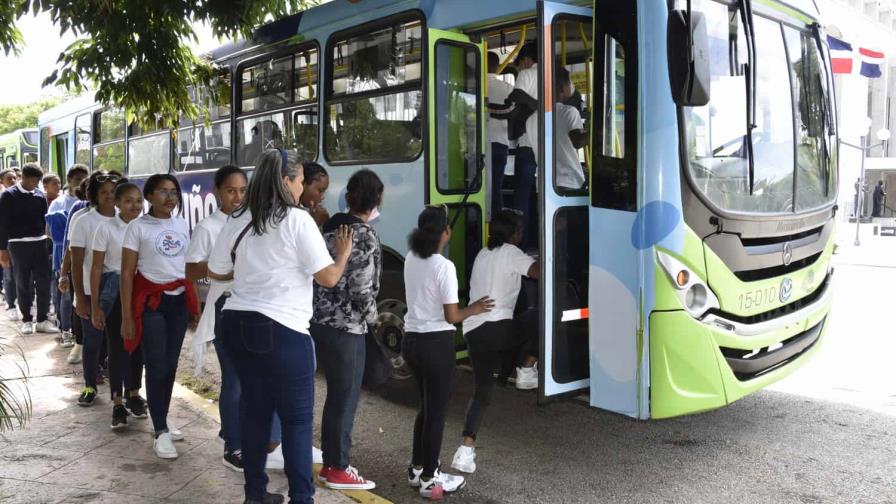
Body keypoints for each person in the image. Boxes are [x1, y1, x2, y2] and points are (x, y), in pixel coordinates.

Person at [209, 149, 352, 504]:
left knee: (254, 413)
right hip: (283, 330)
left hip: (236, 324)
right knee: (297, 421)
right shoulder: (297, 219)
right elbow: (329, 277)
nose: (304, 186)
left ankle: (255, 495)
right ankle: (302, 498)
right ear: (286, 181)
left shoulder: (239, 216)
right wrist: (344, 252)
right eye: (302, 180)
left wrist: (247, 273)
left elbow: (215, 270)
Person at [185, 165, 285, 472]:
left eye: (243, 190)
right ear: (217, 192)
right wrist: (223, 270)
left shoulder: (256, 222)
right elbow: (191, 271)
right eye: (231, 190)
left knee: (266, 376)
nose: (238, 197)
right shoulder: (209, 227)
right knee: (236, 379)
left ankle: (256, 435)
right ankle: (233, 445)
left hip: (258, 308)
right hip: (227, 307)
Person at [402, 205, 494, 500]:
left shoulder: (411, 257)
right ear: (446, 232)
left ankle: (417, 469)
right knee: (436, 413)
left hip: (412, 341)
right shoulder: (444, 266)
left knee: (426, 407)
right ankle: (431, 478)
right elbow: (452, 316)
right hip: (435, 345)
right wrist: (476, 308)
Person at [450, 209, 540, 474]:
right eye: (520, 231)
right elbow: (536, 273)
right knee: (540, 316)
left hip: (474, 332)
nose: (521, 235)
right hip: (498, 329)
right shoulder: (512, 252)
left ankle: (465, 451)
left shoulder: (483, 253)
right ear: (513, 234)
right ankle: (526, 368)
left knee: (481, 393)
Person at [311, 169, 383, 491]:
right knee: (345, 397)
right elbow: (361, 288)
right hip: (347, 328)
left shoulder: (330, 228)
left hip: (320, 323)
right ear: (376, 200)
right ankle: (337, 466)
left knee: (335, 396)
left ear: (348, 197)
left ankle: (332, 461)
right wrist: (373, 317)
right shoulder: (364, 235)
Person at [120, 173, 199, 459]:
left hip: (177, 302)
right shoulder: (137, 228)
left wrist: (194, 306)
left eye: (174, 192)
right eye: (163, 192)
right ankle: (160, 431)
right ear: (150, 196)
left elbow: (186, 265)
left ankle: (161, 416)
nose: (170, 198)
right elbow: (127, 273)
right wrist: (128, 317)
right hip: (151, 303)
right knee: (156, 365)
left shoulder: (181, 224)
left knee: (171, 365)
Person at [89, 182, 148, 427]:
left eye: (138, 200)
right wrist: (95, 305)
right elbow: (95, 268)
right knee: (118, 347)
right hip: (114, 292)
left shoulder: (146, 226)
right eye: (128, 201)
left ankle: (134, 393)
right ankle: (117, 402)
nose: (134, 206)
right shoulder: (106, 229)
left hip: (141, 290)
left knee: (138, 347)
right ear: (117, 203)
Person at [70, 170, 122, 406]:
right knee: (92, 342)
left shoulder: (127, 219)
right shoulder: (84, 221)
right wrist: (80, 298)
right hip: (92, 290)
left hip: (122, 290)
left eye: (113, 191)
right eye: (104, 192)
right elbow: (77, 263)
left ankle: (123, 392)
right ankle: (90, 385)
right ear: (94, 195)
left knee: (119, 342)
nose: (109, 196)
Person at [0, 163, 57, 335]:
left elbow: (45, 222)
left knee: (43, 283)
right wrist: (2, 250)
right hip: (17, 244)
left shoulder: (39, 195)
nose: (35, 184)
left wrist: (48, 245)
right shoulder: (8, 196)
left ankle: (42, 320)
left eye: (37, 181)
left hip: (39, 243)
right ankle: (26, 319)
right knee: (23, 282)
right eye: (33, 180)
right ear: (24, 177)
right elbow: (2, 225)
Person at [508, 42, 539, 249]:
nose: (520, 68)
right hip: (548, 147)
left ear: (526, 60)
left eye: (519, 65)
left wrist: (537, 105)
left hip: (528, 144)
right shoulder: (556, 75)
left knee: (521, 198)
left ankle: (520, 246)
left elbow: (517, 95)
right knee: (540, 196)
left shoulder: (527, 74)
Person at [59, 179, 90, 364]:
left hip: (110, 275)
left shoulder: (119, 214)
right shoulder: (79, 214)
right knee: (80, 307)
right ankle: (79, 344)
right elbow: (70, 246)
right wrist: (64, 273)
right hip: (82, 270)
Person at [486, 51, 514, 216]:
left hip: (479, 145)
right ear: (497, 68)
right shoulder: (508, 88)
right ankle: (497, 225)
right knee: (496, 188)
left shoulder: (472, 86)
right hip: (500, 144)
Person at [554, 67, 589, 191]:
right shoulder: (569, 112)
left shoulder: (535, 116)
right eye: (569, 83)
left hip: (546, 180)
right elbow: (577, 141)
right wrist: (598, 130)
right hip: (570, 180)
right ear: (562, 88)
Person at [0, 168, 19, 320]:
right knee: (9, 275)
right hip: (6, 243)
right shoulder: (2, 198)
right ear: (2, 182)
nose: (13, 181)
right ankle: (11, 303)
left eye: (15, 178)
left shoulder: (21, 196)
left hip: (20, 243)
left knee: (21, 275)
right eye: (9, 179)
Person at [300, 162, 330, 228]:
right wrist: (315, 222)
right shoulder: (291, 212)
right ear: (303, 184)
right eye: (320, 190)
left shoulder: (309, 210)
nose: (322, 197)